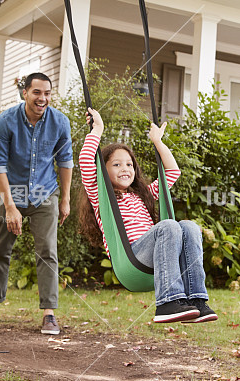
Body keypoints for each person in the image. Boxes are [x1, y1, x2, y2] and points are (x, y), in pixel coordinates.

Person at [78, 107, 217, 324]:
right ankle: (167, 303)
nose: (125, 169)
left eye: (129, 164)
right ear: (103, 170)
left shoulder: (143, 194)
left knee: (189, 226)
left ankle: (197, 300)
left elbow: (172, 172)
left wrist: (158, 142)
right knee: (169, 226)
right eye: (116, 164)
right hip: (131, 259)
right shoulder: (101, 196)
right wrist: (97, 129)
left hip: (160, 255)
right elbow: (86, 162)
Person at [0, 73, 73, 335]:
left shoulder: (60, 122)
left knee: (47, 252)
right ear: (25, 93)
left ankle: (49, 314)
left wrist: (65, 199)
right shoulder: (6, 121)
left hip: (45, 194)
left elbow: (65, 161)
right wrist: (10, 206)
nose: (42, 98)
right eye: (36, 92)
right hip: (11, 192)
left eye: (47, 93)